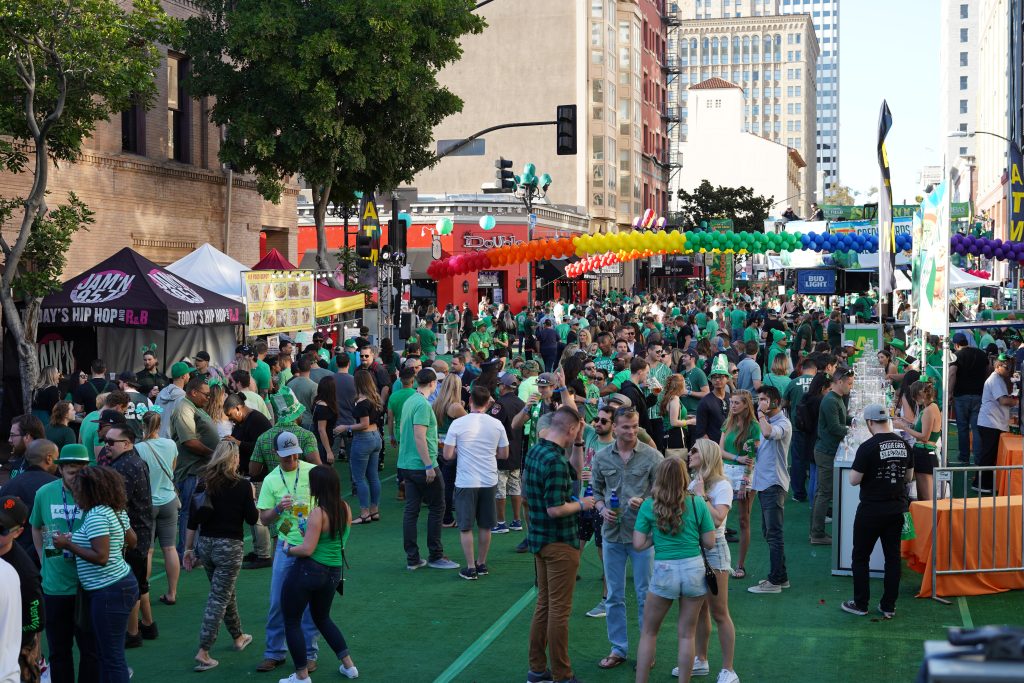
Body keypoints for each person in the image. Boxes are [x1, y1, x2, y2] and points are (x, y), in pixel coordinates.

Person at [523, 406, 595, 683]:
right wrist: (582, 504)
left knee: (544, 605)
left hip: (540, 539)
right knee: (559, 611)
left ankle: (537, 669)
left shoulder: (538, 451)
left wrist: (577, 442)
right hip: (560, 543)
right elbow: (555, 509)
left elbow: (575, 472)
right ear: (571, 428)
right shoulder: (553, 460)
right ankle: (563, 674)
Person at [590, 406, 662, 670]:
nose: (631, 431)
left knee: (646, 595)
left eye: (634, 426)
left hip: (642, 536)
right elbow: (595, 491)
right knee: (614, 596)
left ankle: (647, 651)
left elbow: (661, 493)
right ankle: (618, 648)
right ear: (615, 427)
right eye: (625, 427)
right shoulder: (600, 457)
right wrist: (601, 509)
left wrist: (644, 502)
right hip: (611, 534)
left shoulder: (652, 457)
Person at [632, 457, 715, 683]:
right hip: (693, 569)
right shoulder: (698, 503)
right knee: (687, 634)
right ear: (684, 478)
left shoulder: (649, 505)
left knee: (649, 632)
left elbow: (638, 545)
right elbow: (709, 542)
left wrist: (656, 537)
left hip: (664, 569)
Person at [52, 466, 139, 683]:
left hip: (108, 592)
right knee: (107, 653)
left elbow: (101, 557)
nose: (75, 494)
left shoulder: (96, 516)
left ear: (90, 491)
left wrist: (69, 544)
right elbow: (133, 541)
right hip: (123, 584)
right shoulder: (114, 510)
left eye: (78, 490)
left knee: (112, 658)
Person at [277, 466, 358, 682]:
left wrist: (288, 550)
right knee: (322, 618)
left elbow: (307, 549)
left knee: (292, 621)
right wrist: (309, 533)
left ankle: (302, 676)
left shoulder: (317, 513)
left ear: (318, 487)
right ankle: (349, 666)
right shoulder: (345, 508)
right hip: (333, 572)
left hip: (309, 571)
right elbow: (328, 538)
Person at [182, 441, 257, 671]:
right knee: (219, 597)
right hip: (230, 548)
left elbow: (192, 520)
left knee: (224, 593)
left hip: (206, 546)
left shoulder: (204, 483)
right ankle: (204, 651)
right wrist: (252, 498)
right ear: (234, 460)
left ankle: (237, 637)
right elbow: (252, 519)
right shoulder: (242, 487)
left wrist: (188, 549)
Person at [28, 444, 98, 683]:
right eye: (70, 471)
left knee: (90, 650)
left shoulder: (96, 494)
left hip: (87, 583)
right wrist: (41, 556)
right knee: (59, 651)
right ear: (61, 469)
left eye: (80, 471)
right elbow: (35, 526)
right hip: (55, 584)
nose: (75, 477)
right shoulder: (45, 493)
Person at [254, 432, 319, 673]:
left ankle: (310, 654)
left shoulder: (312, 471)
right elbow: (263, 517)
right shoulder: (271, 479)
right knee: (277, 601)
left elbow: (327, 502)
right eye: (286, 456)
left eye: (294, 455)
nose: (291, 459)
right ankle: (274, 652)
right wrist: (279, 509)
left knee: (312, 605)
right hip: (286, 545)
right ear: (278, 455)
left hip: (313, 545)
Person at [841, 405, 913, 619]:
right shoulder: (904, 444)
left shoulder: (868, 446)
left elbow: (853, 480)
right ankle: (888, 605)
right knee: (892, 557)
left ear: (870, 423)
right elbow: (909, 477)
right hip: (897, 508)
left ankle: (861, 603)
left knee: (861, 556)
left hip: (872, 509)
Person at [442, 385, 509, 580]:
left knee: (465, 526)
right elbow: (504, 454)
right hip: (488, 478)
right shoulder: (496, 424)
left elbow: (447, 454)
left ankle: (470, 566)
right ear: (488, 403)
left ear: (470, 401)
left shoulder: (459, 423)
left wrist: (459, 451)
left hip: (466, 480)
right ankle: (481, 563)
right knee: (486, 525)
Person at [687, 440, 738, 683]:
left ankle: (728, 669)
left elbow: (717, 520)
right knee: (698, 611)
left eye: (695, 450)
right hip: (693, 549)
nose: (690, 453)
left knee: (719, 612)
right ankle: (701, 660)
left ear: (706, 455)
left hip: (715, 550)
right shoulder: (694, 481)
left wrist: (701, 495)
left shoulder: (722, 485)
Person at [398, 369, 459, 570]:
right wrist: (428, 465)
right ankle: (436, 555)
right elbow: (419, 436)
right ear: (433, 383)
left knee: (411, 511)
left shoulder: (411, 400)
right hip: (421, 464)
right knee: (437, 507)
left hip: (406, 463)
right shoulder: (423, 405)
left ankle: (413, 558)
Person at [101, 424, 155, 646]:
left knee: (131, 585)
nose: (106, 446)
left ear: (127, 443)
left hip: (130, 534)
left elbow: (116, 502)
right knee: (140, 583)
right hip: (140, 531)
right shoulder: (136, 461)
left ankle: (133, 634)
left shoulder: (123, 467)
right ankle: (149, 626)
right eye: (106, 441)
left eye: (110, 442)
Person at [747, 386, 793, 594]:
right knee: (769, 532)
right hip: (765, 483)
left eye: (764, 399)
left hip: (774, 484)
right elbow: (764, 441)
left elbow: (767, 433)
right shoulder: (768, 421)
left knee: (774, 534)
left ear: (775, 402)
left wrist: (760, 415)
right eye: (759, 399)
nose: (760, 403)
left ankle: (775, 581)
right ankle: (781, 577)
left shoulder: (782, 423)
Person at [170, 376, 220, 559]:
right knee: (190, 513)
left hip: (200, 470)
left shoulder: (193, 407)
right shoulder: (184, 409)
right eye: (206, 395)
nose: (208, 398)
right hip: (191, 470)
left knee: (198, 511)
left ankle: (194, 551)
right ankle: (185, 552)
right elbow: (189, 442)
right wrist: (215, 454)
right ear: (193, 392)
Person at [134, 410, 180, 607]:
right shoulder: (171, 445)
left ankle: (144, 591)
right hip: (169, 499)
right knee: (169, 547)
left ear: (143, 426)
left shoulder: (138, 448)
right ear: (160, 426)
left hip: (147, 502)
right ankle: (172, 592)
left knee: (149, 551)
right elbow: (173, 468)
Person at [0, 495, 45, 683]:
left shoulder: (24, 573)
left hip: (16, 651)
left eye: (1, 529)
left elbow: (36, 622)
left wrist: (10, 632)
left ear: (18, 532)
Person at [334, 369, 384, 525]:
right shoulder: (375, 399)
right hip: (376, 437)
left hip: (364, 439)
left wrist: (345, 427)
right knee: (373, 476)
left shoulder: (362, 402)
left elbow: (363, 424)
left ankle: (364, 513)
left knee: (359, 478)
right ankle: (374, 510)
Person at [719, 390, 759, 580]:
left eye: (736, 403)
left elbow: (753, 455)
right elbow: (720, 450)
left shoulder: (754, 426)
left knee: (744, 520)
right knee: (719, 518)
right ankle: (719, 562)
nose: (732, 405)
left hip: (746, 474)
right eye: (731, 402)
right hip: (726, 472)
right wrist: (737, 457)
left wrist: (745, 480)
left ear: (746, 404)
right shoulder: (728, 422)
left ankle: (740, 565)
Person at [811, 367, 854, 545]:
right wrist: (853, 429)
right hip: (826, 451)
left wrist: (853, 420)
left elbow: (840, 420)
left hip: (828, 450)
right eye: (849, 383)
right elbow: (836, 428)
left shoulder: (836, 399)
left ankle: (815, 530)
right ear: (839, 382)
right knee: (824, 493)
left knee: (823, 492)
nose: (851, 387)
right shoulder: (831, 401)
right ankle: (817, 533)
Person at [0, 440, 58, 563]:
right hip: (45, 559)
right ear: (49, 458)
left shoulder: (9, 485)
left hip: (12, 557)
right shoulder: (56, 487)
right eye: (56, 458)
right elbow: (52, 524)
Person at [974, 355, 1018, 493]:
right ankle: (981, 484)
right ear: (998, 366)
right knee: (988, 455)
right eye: (1006, 366)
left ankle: (983, 483)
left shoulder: (997, 379)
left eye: (1009, 366)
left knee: (988, 455)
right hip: (990, 423)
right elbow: (1003, 401)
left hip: (992, 422)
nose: (1008, 369)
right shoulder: (995, 380)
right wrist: (1018, 402)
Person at [489, 374, 526, 533]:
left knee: (500, 489)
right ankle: (517, 520)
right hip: (517, 450)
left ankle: (501, 522)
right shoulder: (521, 403)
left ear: (503, 386)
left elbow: (492, 424)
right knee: (515, 487)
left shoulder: (500, 404)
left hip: (501, 451)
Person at [894, 381, 942, 502]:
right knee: (923, 499)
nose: (914, 400)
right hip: (924, 454)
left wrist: (903, 428)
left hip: (925, 454)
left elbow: (924, 437)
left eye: (914, 397)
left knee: (926, 500)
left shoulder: (929, 410)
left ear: (920, 394)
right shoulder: (930, 408)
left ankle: (929, 521)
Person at [433, 374, 469, 528]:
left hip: (438, 446)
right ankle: (446, 517)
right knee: (449, 485)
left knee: (442, 485)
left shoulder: (436, 403)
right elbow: (470, 423)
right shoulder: (455, 406)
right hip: (452, 449)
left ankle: (440, 515)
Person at [950, 332, 989, 466]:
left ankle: (964, 457)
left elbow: (952, 373)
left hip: (961, 396)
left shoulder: (956, 356)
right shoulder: (980, 354)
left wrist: (949, 392)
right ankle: (978, 459)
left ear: (956, 344)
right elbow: (988, 370)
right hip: (979, 395)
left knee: (962, 428)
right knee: (976, 428)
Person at [694, 355, 731, 443]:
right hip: (713, 448)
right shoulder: (705, 402)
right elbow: (701, 432)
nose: (717, 380)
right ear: (710, 379)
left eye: (721, 376)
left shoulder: (731, 398)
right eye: (714, 377)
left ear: (727, 378)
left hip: (731, 446)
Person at [154, 362, 192, 437]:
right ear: (184, 376)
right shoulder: (184, 398)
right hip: (172, 443)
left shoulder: (161, 393)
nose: (189, 376)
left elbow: (153, 415)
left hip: (157, 438)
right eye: (188, 374)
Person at [7, 414, 45, 480]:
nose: (9, 440)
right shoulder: (17, 462)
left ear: (27, 437)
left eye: (12, 435)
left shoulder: (44, 465)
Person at [312, 377, 339, 465]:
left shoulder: (317, 402)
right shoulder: (323, 407)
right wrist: (328, 451)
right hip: (322, 444)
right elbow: (321, 429)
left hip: (321, 442)